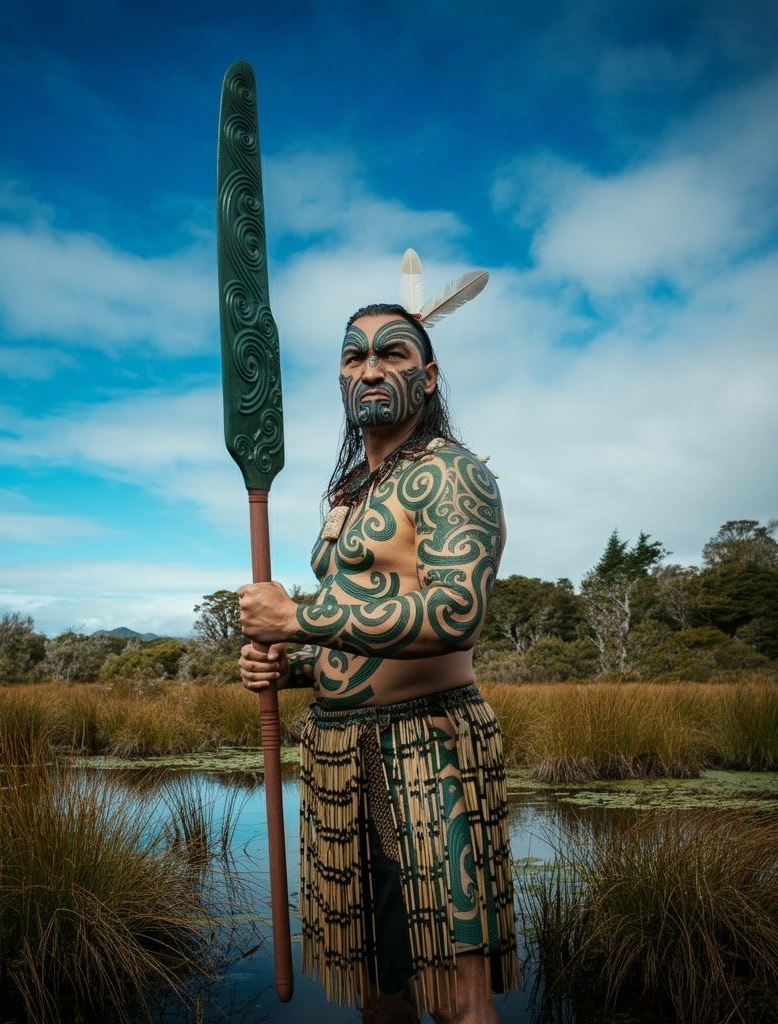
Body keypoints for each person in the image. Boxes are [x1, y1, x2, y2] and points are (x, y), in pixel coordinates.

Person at [238, 263, 518, 1024]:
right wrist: (289, 667)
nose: (370, 369)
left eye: (392, 353)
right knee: (378, 990)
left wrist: (297, 619)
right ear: (340, 377)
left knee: (457, 997)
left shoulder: (452, 474)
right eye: (354, 356)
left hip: (426, 751)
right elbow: (351, 633)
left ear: (428, 377)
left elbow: (454, 613)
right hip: (338, 758)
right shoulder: (349, 494)